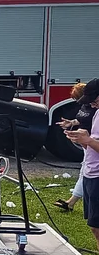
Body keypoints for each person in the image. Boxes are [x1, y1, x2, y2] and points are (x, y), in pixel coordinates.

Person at [65, 79, 99, 251]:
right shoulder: (97, 113)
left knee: (97, 226)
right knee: (94, 226)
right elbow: (92, 144)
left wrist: (87, 140)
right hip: (90, 173)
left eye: (94, 99)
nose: (92, 104)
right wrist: (81, 139)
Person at [56, 82, 96, 213]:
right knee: (84, 171)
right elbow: (82, 119)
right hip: (87, 145)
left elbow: (89, 121)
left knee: (86, 172)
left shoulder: (95, 110)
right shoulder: (86, 106)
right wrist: (71, 122)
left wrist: (88, 139)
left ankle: (71, 202)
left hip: (91, 144)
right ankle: (71, 202)